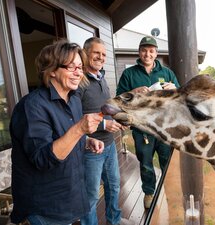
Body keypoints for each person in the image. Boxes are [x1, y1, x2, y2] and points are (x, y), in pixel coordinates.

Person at [9, 39, 104, 225]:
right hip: (45, 207)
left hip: (69, 198)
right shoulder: (32, 106)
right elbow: (42, 159)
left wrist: (85, 140)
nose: (78, 73)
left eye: (80, 67)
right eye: (71, 67)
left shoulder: (74, 99)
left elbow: (63, 138)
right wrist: (79, 130)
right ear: (52, 70)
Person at [116, 36, 180, 209]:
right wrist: (133, 91)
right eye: (144, 50)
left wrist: (173, 89)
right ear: (139, 52)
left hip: (164, 128)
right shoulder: (129, 74)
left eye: (151, 51)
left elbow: (180, 95)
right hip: (141, 128)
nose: (147, 54)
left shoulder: (166, 73)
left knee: (168, 162)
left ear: (156, 53)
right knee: (145, 164)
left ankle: (171, 191)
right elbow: (119, 98)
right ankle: (149, 193)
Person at [78, 37, 129, 225]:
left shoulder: (102, 79)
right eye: (96, 53)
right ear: (85, 53)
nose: (101, 57)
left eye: (104, 55)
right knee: (90, 196)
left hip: (109, 146)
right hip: (90, 149)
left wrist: (117, 119)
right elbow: (73, 118)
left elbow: (105, 109)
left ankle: (114, 221)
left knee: (114, 187)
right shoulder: (79, 82)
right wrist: (103, 125)